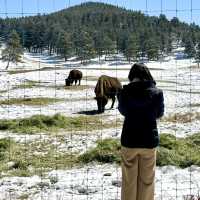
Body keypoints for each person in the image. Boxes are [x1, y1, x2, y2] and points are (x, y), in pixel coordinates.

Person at [117, 63, 164, 200]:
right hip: (149, 140)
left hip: (129, 140)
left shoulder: (124, 92)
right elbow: (159, 114)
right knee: (147, 181)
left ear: (132, 77)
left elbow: (123, 111)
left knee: (128, 181)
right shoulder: (157, 93)